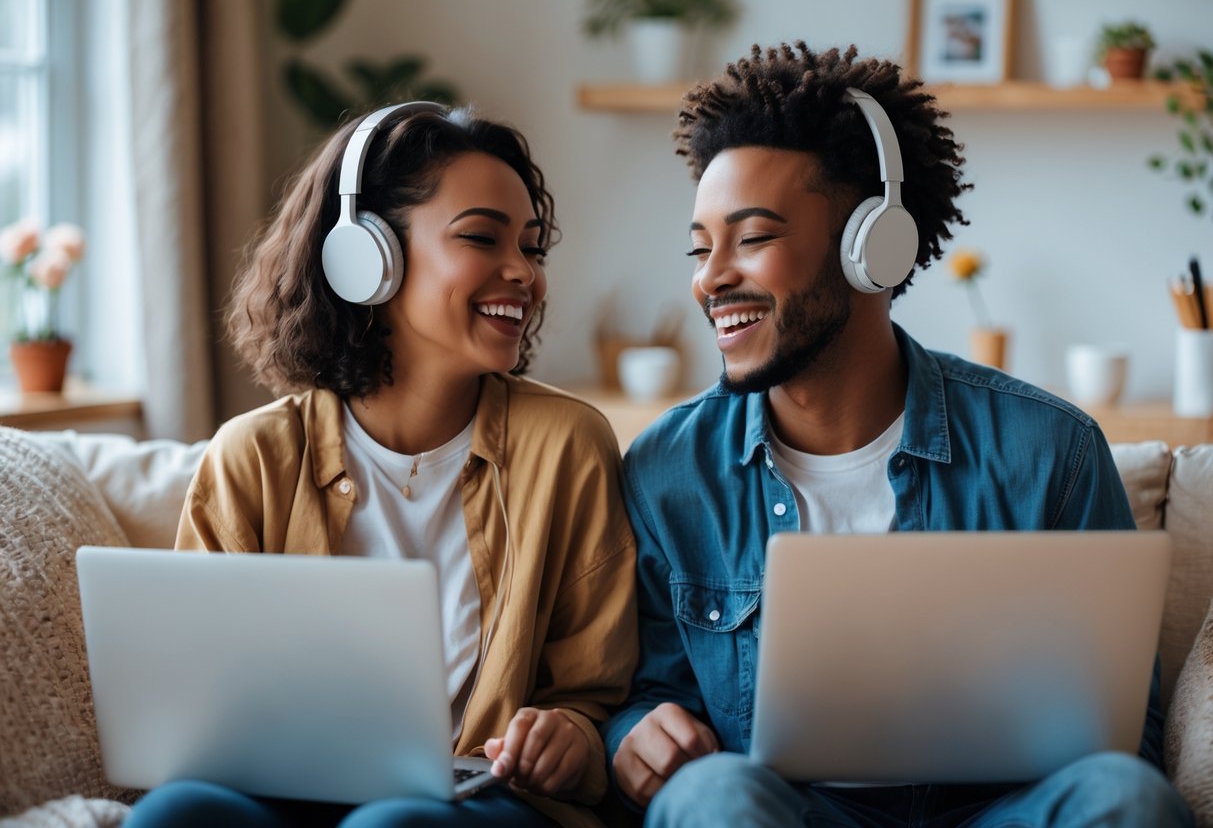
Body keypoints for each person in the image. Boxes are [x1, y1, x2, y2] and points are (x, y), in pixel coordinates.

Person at [600, 42, 1193, 827]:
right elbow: (649, 692)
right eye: (700, 247)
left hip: (997, 814)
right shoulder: (668, 471)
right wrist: (634, 735)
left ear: (872, 247)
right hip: (786, 814)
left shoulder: (1052, 452)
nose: (709, 278)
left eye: (751, 238)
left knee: (1125, 796)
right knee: (710, 796)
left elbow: (1122, 733)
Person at [124, 103, 637, 828]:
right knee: (174, 812)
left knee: (389, 825)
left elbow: (595, 693)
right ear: (364, 257)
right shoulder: (252, 457)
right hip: (292, 791)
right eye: (481, 238)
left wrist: (570, 735)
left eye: (532, 248)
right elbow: (197, 704)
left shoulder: (567, 445)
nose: (522, 272)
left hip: (488, 802)